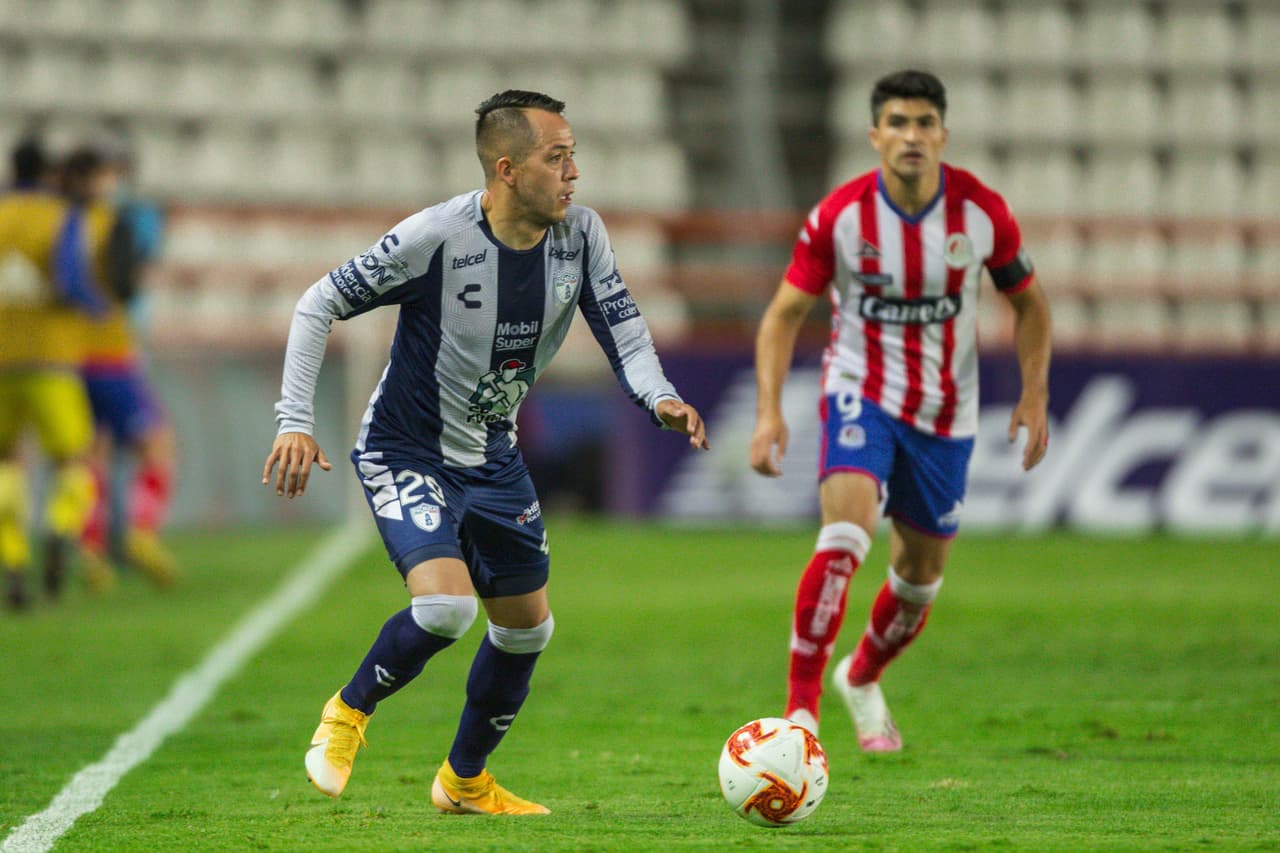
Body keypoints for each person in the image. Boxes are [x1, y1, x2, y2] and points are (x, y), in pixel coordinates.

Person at [262, 90, 709, 813]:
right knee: (445, 608)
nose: (573, 172)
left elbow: (624, 330)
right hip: (406, 450)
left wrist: (659, 397)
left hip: (493, 458)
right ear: (507, 169)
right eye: (555, 157)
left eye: (574, 156)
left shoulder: (581, 236)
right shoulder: (436, 237)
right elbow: (318, 303)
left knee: (527, 628)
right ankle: (347, 713)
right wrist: (293, 419)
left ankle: (464, 780)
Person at [749, 70, 1051, 751]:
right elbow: (782, 316)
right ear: (874, 135)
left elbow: (1030, 303)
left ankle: (861, 675)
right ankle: (801, 711)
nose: (911, 135)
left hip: (948, 412)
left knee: (918, 580)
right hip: (862, 389)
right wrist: (769, 412)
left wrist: (1035, 392)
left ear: (942, 134)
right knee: (846, 534)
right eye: (898, 122)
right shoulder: (840, 216)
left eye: (923, 123)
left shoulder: (981, 211)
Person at [60, 142, 179, 590]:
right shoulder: (112, 223)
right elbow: (129, 286)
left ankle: (91, 552)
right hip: (109, 351)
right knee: (157, 445)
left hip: (65, 358)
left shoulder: (58, 220)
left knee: (92, 454)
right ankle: (140, 532)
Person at [0, 136, 105, 607]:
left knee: (6, 462)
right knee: (75, 460)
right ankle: (60, 526)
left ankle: (13, 556)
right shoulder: (62, 216)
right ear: (47, 174)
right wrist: (98, 305)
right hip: (52, 359)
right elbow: (69, 282)